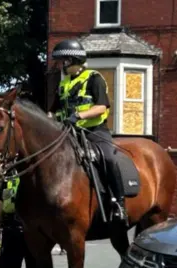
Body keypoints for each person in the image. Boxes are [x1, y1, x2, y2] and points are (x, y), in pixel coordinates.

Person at [48, 38, 128, 226]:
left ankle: (119, 203)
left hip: (94, 131)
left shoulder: (94, 78)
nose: (61, 66)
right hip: (68, 132)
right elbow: (53, 110)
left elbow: (102, 107)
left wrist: (79, 115)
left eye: (62, 62)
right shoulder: (64, 83)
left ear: (72, 60)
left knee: (108, 158)